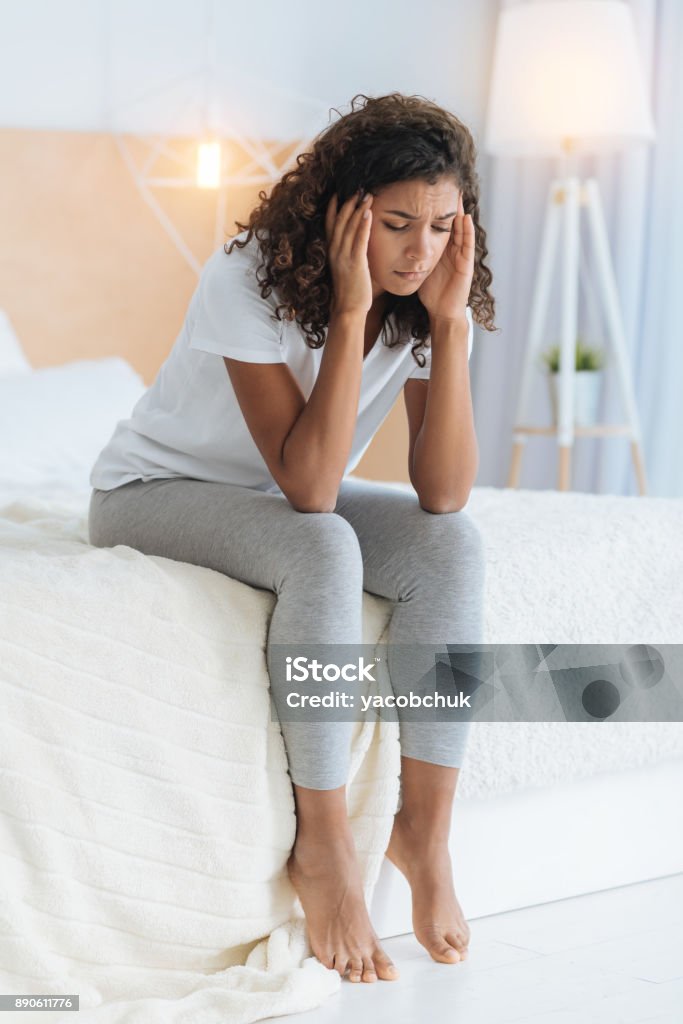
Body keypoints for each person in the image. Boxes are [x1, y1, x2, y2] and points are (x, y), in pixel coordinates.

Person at [88, 91, 496, 986]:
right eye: (395, 224)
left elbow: (442, 490)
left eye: (440, 225)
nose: (419, 248)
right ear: (344, 212)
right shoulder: (246, 274)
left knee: (453, 548)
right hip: (157, 492)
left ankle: (423, 833)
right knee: (324, 548)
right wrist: (350, 315)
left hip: (274, 496)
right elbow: (308, 488)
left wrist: (451, 327)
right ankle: (323, 848)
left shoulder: (427, 288)